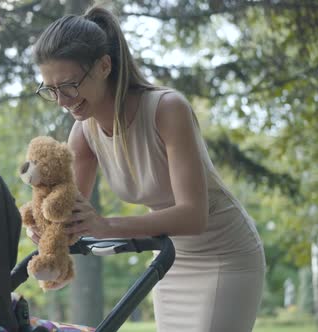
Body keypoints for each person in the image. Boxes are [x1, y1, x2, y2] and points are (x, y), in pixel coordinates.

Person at [26, 5, 266, 332]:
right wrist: (48, 230)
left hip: (224, 253)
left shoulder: (167, 109)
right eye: (50, 90)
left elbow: (194, 216)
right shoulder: (83, 133)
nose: (62, 101)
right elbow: (70, 215)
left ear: (104, 66)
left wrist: (106, 225)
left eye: (69, 85)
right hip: (170, 259)